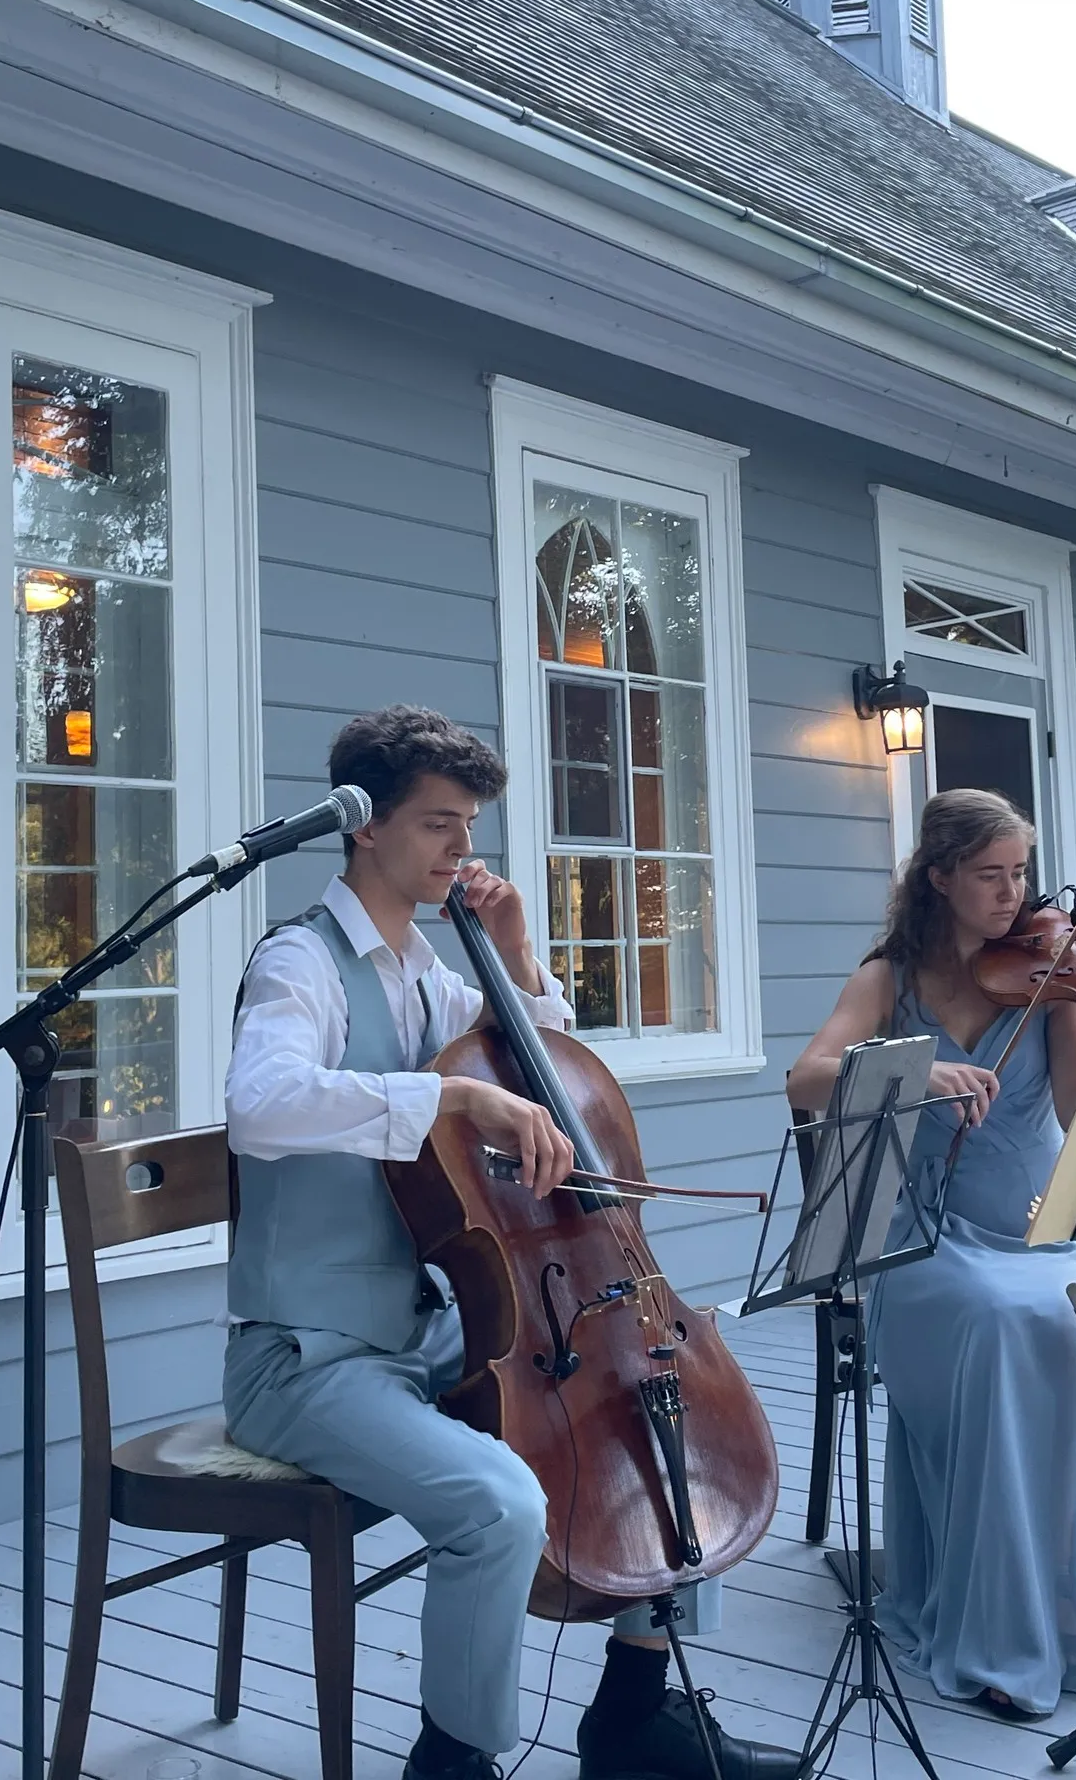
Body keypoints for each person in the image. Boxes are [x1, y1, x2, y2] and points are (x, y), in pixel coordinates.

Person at [223, 705, 796, 1780]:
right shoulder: (299, 963)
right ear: (364, 827)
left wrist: (521, 955)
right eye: (438, 823)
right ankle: (453, 1756)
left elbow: (539, 1058)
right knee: (498, 1502)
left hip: (431, 1328)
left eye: (468, 825)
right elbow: (261, 1104)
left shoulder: (433, 977)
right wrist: (443, 1094)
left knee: (656, 1394)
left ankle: (635, 1710)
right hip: (307, 1354)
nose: (460, 850)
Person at [787, 788, 1076, 1720]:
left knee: (1063, 1309)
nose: (1014, 895)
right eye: (990, 876)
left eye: (1020, 873)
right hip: (920, 1241)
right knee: (1006, 1320)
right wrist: (913, 1070)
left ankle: (1050, 1581)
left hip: (1035, 1227)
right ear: (939, 879)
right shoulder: (888, 979)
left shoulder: (1058, 980)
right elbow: (807, 1078)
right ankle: (1003, 1618)